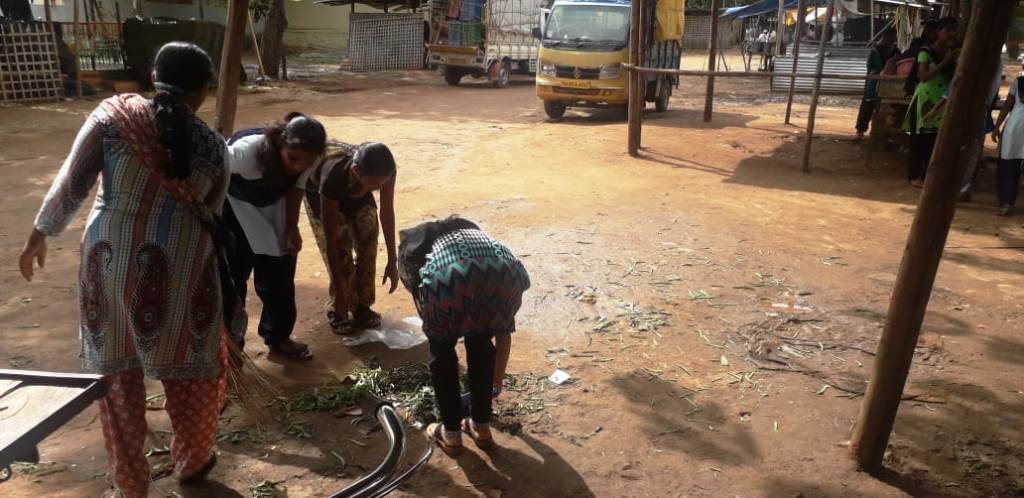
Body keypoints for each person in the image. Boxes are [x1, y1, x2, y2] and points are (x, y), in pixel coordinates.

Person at [18, 42, 228, 497]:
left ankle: (130, 483)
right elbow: (211, 212)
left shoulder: (112, 117)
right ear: (203, 92)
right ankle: (193, 461)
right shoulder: (215, 148)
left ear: (153, 77)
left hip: (106, 262)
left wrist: (40, 233)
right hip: (184, 266)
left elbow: (74, 181)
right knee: (190, 373)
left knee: (117, 377)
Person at [397, 216, 531, 456]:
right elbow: (503, 334)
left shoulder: (418, 254)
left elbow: (429, 311)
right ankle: (481, 427)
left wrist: (441, 325)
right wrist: (496, 381)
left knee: (442, 352)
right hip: (504, 276)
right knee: (480, 343)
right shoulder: (473, 239)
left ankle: (451, 434)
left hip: (447, 282)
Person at [224, 112, 326, 360]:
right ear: (280, 142)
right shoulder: (245, 154)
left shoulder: (309, 158)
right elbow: (212, 172)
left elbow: (296, 189)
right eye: (293, 159)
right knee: (231, 280)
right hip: (234, 209)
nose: (298, 167)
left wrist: (292, 227)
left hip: (273, 211)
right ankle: (229, 345)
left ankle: (279, 337)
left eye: (306, 162)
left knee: (279, 279)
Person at [301, 141, 399, 334]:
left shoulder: (384, 172)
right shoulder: (332, 175)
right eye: (376, 184)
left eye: (382, 183)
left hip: (358, 188)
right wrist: (340, 292)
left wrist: (392, 260)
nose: (380, 188)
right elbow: (331, 242)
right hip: (322, 194)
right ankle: (339, 308)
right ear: (356, 171)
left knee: (369, 236)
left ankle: (362, 306)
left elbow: (387, 212)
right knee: (341, 246)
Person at [902, 17, 959, 188]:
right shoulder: (925, 52)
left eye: (954, 30)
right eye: (948, 30)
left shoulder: (951, 52)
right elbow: (923, 77)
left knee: (934, 140)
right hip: (925, 99)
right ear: (938, 32)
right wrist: (946, 62)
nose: (952, 34)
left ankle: (928, 175)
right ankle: (914, 176)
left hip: (942, 100)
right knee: (919, 140)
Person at [856, 29, 899, 139]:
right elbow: (870, 67)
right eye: (889, 37)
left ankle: (881, 132)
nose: (891, 40)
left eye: (893, 37)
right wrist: (879, 72)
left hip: (889, 82)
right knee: (868, 105)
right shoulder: (875, 50)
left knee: (885, 107)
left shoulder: (895, 51)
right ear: (884, 37)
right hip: (874, 82)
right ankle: (860, 129)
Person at [993, 66, 1024, 217]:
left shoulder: (1019, 82)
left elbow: (1007, 106)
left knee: (1008, 169)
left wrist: (997, 126)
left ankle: (1006, 203)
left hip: (1015, 128)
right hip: (1016, 129)